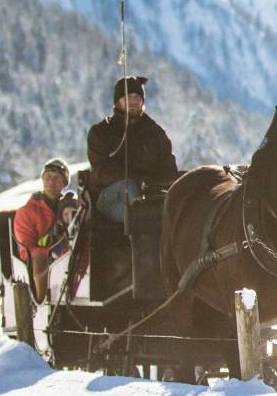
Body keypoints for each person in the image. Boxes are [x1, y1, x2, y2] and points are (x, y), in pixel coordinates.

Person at [87, 75, 181, 224]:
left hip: (149, 195)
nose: (133, 101)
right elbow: (101, 171)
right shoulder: (101, 132)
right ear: (117, 101)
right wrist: (139, 180)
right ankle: (142, 230)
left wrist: (159, 184)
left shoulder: (155, 132)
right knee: (129, 187)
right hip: (111, 196)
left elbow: (168, 166)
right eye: (128, 96)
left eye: (137, 97)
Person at [13, 157, 73, 295]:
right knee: (40, 260)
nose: (51, 182)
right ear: (42, 180)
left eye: (57, 178)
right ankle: (42, 301)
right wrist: (50, 252)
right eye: (48, 177)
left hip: (67, 256)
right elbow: (26, 249)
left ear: (64, 184)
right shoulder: (26, 212)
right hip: (37, 262)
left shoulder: (69, 208)